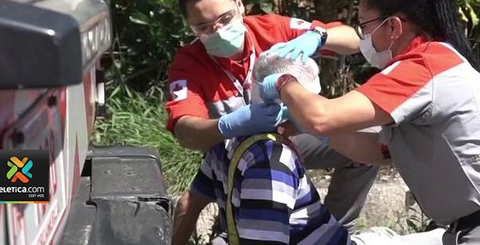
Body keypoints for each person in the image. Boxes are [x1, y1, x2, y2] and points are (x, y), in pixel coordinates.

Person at [257, 0, 480, 244]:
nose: (363, 40)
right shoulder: (441, 59)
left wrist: (285, 83)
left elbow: (322, 117)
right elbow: (379, 151)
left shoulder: (421, 66)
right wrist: (312, 128)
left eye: (365, 29)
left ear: (393, 27)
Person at [167, 0, 378, 245]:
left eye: (225, 19)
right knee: (245, 188)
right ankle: (236, 222)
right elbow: (186, 132)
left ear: (239, 4)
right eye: (204, 28)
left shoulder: (273, 30)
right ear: (190, 27)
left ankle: (334, 223)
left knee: (369, 139)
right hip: (235, 151)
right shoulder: (188, 64)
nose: (217, 31)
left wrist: (318, 37)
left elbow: (356, 40)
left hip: (294, 133)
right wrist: (230, 124)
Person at [179, 51, 446, 245]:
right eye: (312, 97)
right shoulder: (272, 161)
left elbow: (187, 204)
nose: (319, 105)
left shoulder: (224, 144)